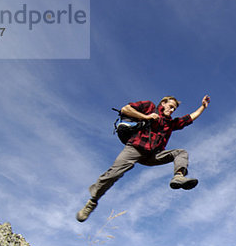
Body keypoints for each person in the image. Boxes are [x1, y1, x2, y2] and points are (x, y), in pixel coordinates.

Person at [76, 94, 210, 222]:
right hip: (135, 148)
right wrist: (146, 117)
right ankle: (92, 202)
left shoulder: (170, 123)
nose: (172, 110)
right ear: (163, 103)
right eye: (171, 106)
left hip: (153, 155)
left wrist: (203, 107)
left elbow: (189, 118)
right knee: (113, 174)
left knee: (181, 152)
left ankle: (178, 176)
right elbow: (125, 109)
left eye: (174, 108)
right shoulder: (150, 107)